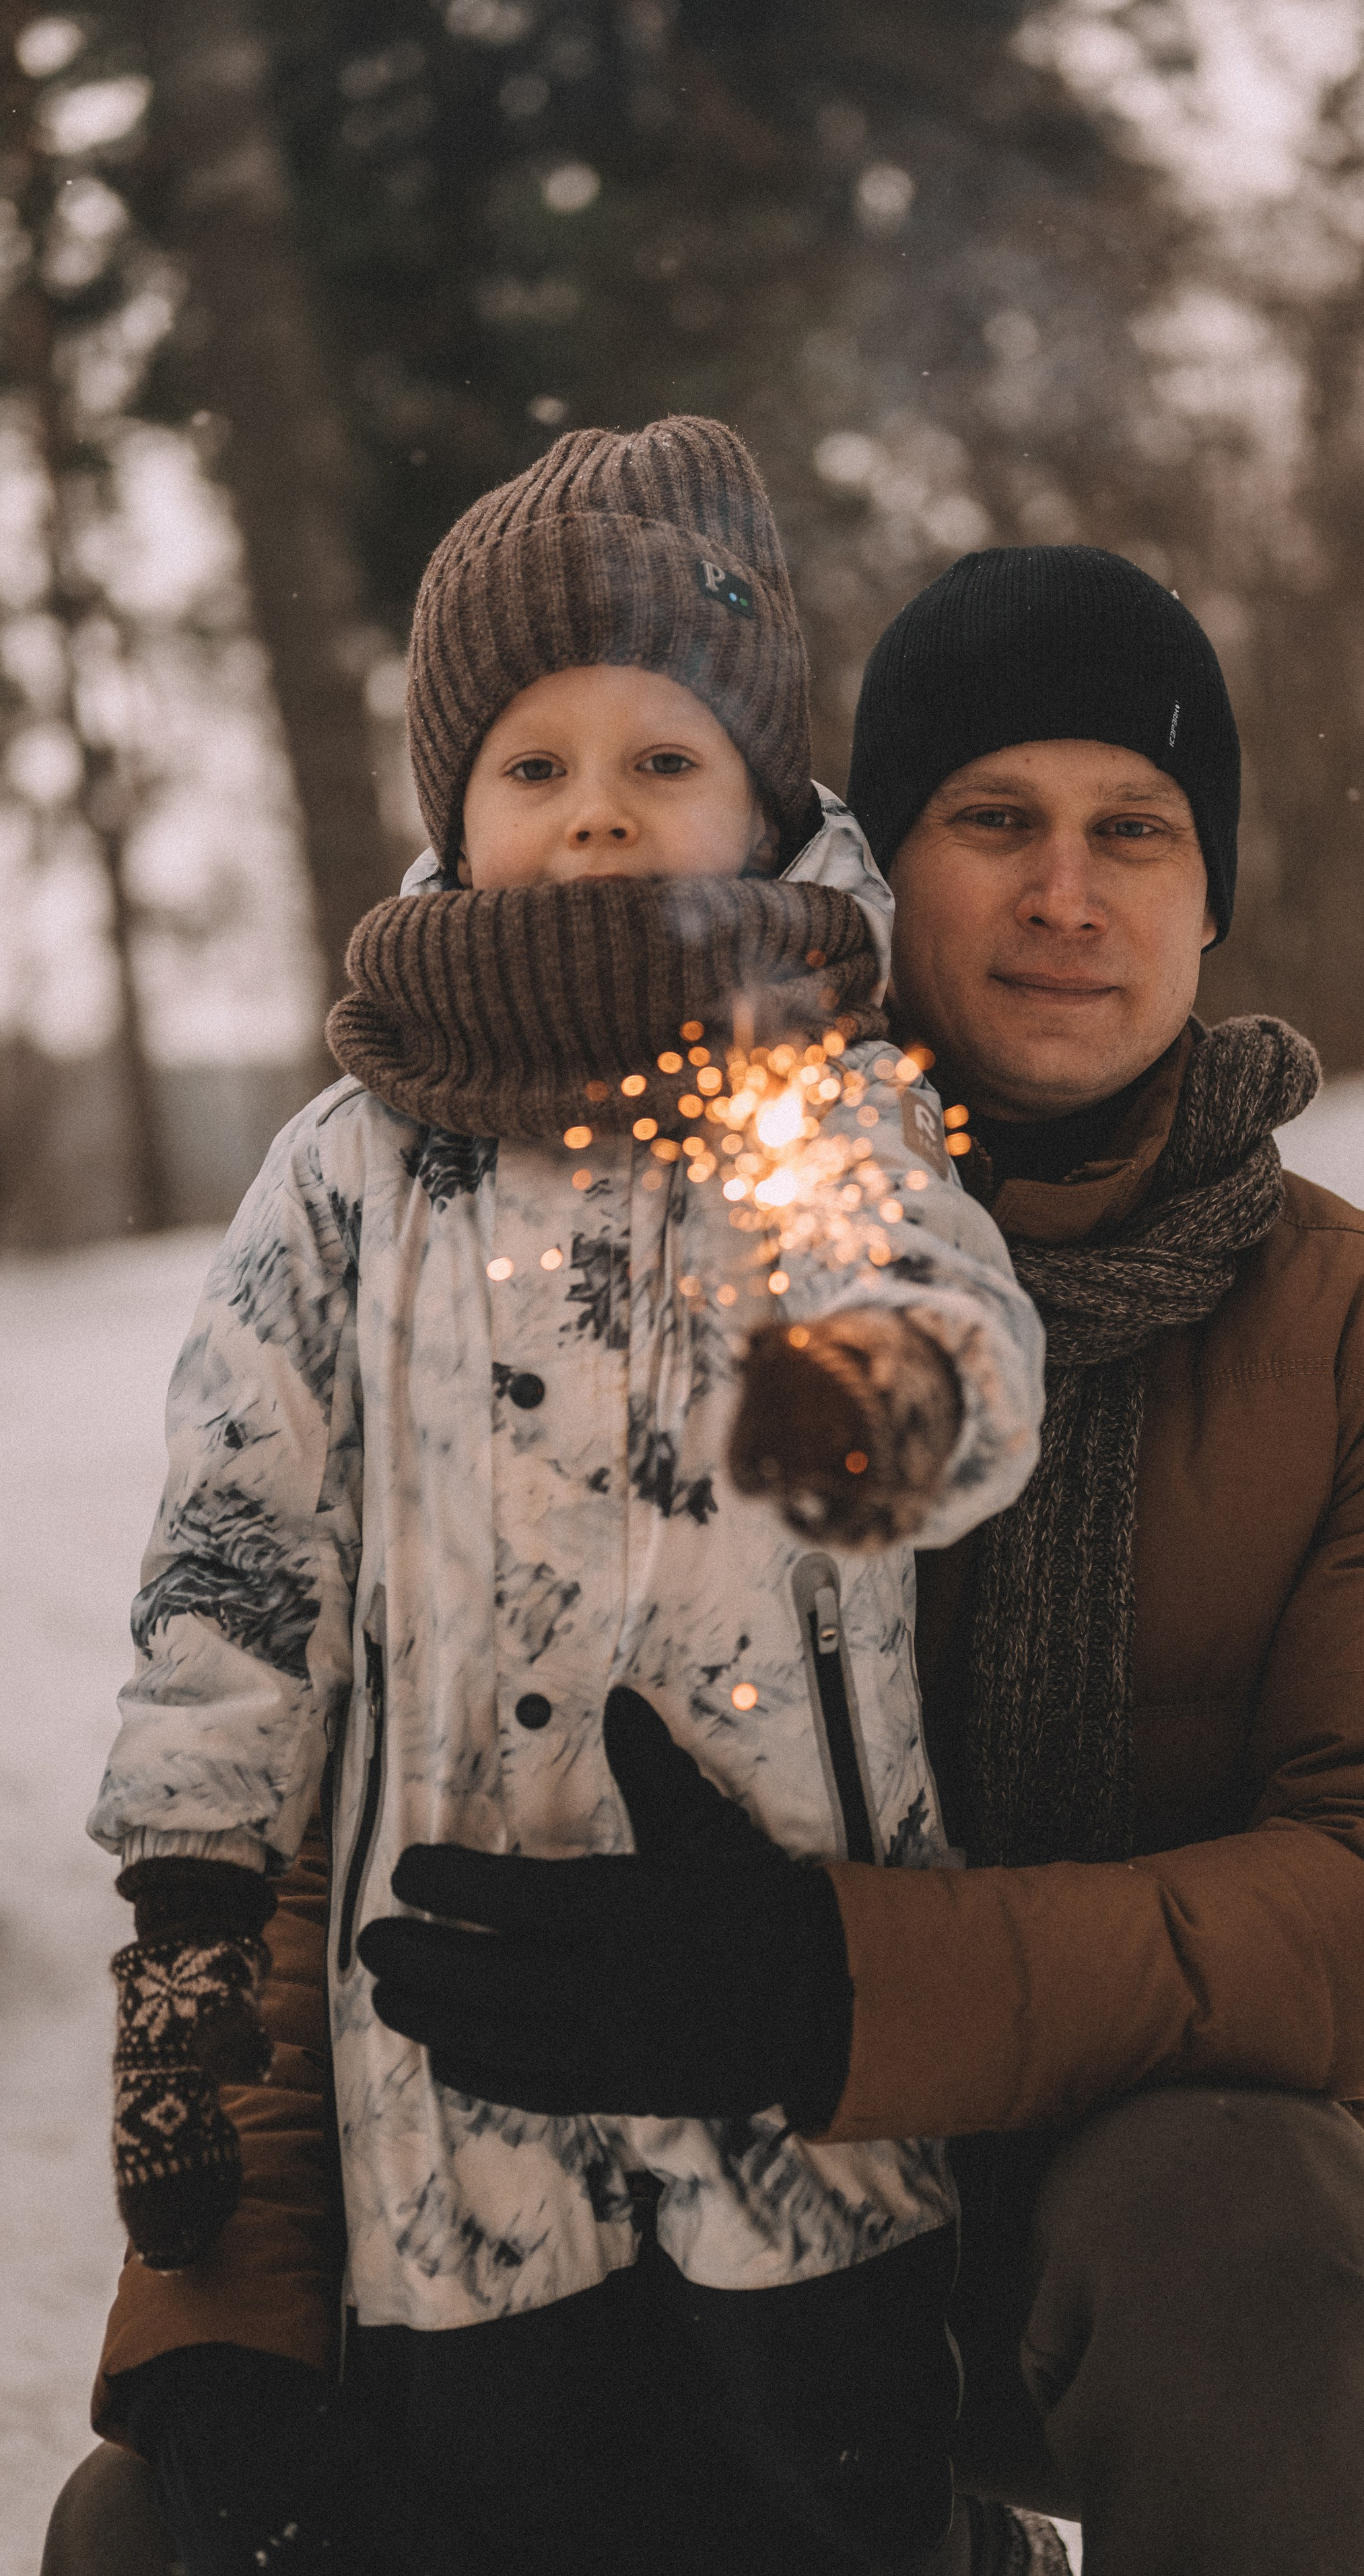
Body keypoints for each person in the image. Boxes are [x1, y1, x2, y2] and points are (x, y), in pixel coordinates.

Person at [53, 541, 1364, 2576]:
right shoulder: (603, 1224)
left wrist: (833, 1987)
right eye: (994, 819)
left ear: (1216, 897)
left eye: (1139, 830)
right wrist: (217, 2331)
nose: (1066, 892)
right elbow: (339, 1770)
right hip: (581, 2183)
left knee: (1251, 2225)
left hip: (1050, 2225)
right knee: (150, 2526)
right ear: (860, 854)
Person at [67, 422, 1045, 2576]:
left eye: (661, 756)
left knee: (827, 2501)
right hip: (449, 2085)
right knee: (513, 2505)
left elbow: (945, 1315)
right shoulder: (353, 1164)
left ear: (768, 802)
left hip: (795, 2058)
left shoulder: (812, 1092)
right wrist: (195, 1922)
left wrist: (869, 1395)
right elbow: (238, 1553)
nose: (597, 804)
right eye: (533, 764)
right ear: (456, 815)